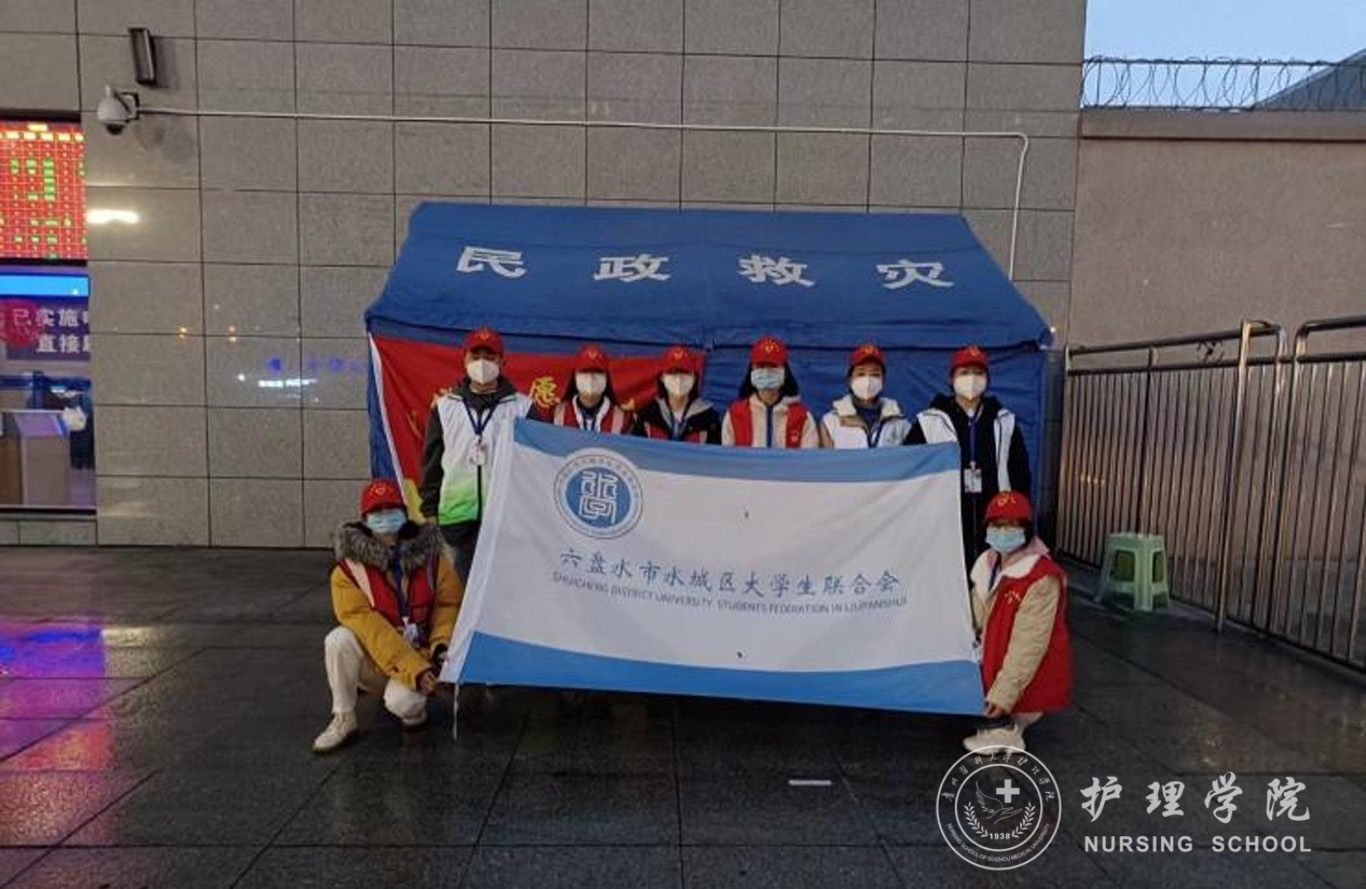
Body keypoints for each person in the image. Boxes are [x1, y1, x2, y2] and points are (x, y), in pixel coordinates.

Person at [314, 479, 464, 753]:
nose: (385, 517)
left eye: (391, 510)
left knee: (407, 706)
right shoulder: (347, 571)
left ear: (405, 514)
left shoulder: (433, 560)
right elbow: (371, 629)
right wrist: (414, 671)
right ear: (365, 521)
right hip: (375, 661)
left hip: (420, 656)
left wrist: (440, 646)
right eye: (377, 512)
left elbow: (448, 605)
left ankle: (411, 705)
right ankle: (343, 718)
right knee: (338, 639)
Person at [419, 326, 533, 584]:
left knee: (503, 589)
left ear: (502, 361)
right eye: (475, 356)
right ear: (464, 359)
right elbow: (432, 463)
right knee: (459, 590)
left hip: (506, 519)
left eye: (490, 357)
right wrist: (430, 510)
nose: (482, 363)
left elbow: (533, 469)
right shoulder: (444, 408)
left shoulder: (524, 409)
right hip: (456, 519)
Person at [904, 345, 1031, 569]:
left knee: (989, 575)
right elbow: (910, 470)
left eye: (978, 372)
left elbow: (1020, 474)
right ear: (952, 378)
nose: (971, 379)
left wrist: (1022, 520)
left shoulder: (1005, 421)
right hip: (945, 517)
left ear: (987, 379)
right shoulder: (928, 421)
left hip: (995, 518)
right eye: (964, 372)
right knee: (949, 572)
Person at [962, 491, 1071, 753]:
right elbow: (974, 617)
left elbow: (1029, 645)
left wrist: (1004, 695)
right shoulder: (987, 564)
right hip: (994, 655)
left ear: (1026, 530)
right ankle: (997, 722)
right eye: (996, 525)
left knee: (1010, 695)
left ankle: (1008, 729)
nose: (1002, 532)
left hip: (1028, 669)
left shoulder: (1040, 577)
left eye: (1011, 525)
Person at [721, 335, 819, 449]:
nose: (766, 371)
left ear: (785, 372)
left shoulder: (802, 418)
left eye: (772, 366)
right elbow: (727, 458)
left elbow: (809, 459)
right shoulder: (734, 415)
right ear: (751, 370)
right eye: (760, 365)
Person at [817, 343, 911, 449]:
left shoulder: (899, 423)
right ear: (849, 380)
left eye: (875, 374)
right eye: (860, 374)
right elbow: (826, 458)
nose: (868, 380)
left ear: (883, 380)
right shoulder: (830, 422)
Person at [632, 344, 722, 443]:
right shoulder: (647, 414)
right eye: (672, 372)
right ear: (662, 378)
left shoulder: (710, 418)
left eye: (685, 372)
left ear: (694, 378)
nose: (679, 379)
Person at [543, 343, 633, 433]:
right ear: (574, 377)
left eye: (597, 372)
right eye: (585, 371)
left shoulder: (625, 418)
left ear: (607, 378)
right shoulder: (555, 413)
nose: (591, 378)